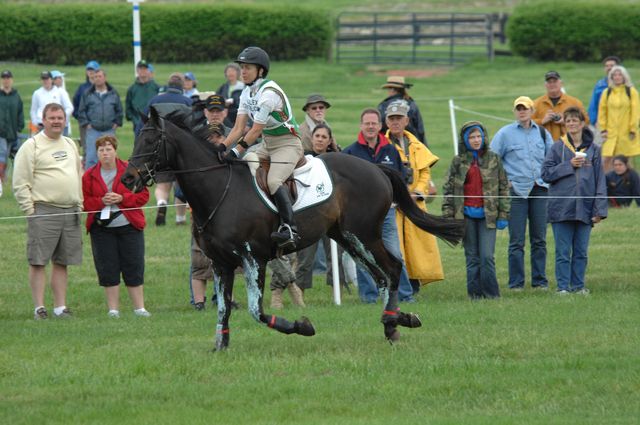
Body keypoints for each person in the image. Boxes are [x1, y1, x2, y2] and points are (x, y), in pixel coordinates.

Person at [218, 46, 304, 250]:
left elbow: (254, 131)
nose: (243, 72)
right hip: (267, 143)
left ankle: (290, 228)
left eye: (247, 67)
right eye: (241, 67)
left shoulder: (269, 94)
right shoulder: (247, 93)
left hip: (288, 144)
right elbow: (239, 128)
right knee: (245, 164)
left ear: (261, 71)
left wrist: (235, 151)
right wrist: (221, 147)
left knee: (274, 181)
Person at [13, 103, 83, 319]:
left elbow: (78, 174)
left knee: (62, 262)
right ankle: (39, 308)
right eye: (52, 117)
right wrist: (30, 210)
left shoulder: (70, 144)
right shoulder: (32, 145)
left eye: (60, 117)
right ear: (43, 120)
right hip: (43, 210)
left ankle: (60, 307)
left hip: (70, 211)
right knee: (38, 261)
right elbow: (20, 182)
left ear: (65, 120)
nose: (56, 121)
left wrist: (79, 204)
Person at [342, 108, 415, 303]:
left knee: (394, 254)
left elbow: (400, 179)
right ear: (361, 125)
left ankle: (404, 296)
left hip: (387, 213)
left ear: (380, 126)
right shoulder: (350, 152)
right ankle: (370, 297)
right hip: (361, 217)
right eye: (367, 123)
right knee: (365, 256)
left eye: (374, 123)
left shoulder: (391, 150)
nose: (371, 126)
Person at [83, 135, 151, 317]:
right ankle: (113, 310)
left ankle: (139, 308)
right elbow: (85, 203)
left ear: (115, 151)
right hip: (102, 230)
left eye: (108, 149)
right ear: (96, 153)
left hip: (129, 226)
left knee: (133, 265)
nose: (105, 153)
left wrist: (122, 198)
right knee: (108, 268)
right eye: (101, 150)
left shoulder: (130, 171)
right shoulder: (89, 176)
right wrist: (101, 201)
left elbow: (143, 196)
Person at [541, 107, 607, 294]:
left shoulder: (593, 150)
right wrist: (567, 165)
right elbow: (545, 174)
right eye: (568, 121)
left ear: (582, 123)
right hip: (561, 208)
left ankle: (578, 286)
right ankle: (563, 288)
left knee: (581, 252)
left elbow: (600, 181)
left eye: (575, 120)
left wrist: (599, 210)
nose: (571, 124)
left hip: (585, 209)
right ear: (564, 124)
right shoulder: (557, 147)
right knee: (563, 252)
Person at [491, 96, 553, 291]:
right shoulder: (504, 134)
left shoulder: (543, 133)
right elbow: (492, 160)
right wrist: (504, 181)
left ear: (532, 111)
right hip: (516, 192)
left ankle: (539, 282)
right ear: (514, 112)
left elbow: (551, 159)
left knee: (539, 239)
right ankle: (516, 283)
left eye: (525, 108)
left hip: (540, 189)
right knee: (516, 240)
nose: (522, 112)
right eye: (518, 109)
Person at [443, 121, 510, 299]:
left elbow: (504, 187)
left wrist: (503, 214)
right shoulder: (458, 162)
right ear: (465, 140)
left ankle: (492, 295)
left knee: (487, 257)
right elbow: (449, 190)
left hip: (488, 216)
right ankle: (475, 295)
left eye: (478, 136)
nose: (476, 140)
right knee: (472, 257)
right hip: (466, 216)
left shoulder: (494, 158)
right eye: (472, 137)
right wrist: (449, 217)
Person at [385, 100, 444, 291]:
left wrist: (418, 191)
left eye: (399, 118)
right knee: (395, 246)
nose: (395, 122)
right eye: (392, 118)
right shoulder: (383, 145)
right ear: (386, 121)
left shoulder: (416, 145)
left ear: (406, 120)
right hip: (392, 205)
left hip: (415, 203)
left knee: (417, 246)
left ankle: (414, 283)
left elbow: (425, 172)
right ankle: (396, 284)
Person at [294, 124, 346, 293]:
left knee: (335, 257)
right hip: (309, 216)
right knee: (305, 258)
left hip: (332, 216)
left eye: (324, 137)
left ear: (329, 141)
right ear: (312, 137)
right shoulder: (303, 159)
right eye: (317, 136)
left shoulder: (336, 161)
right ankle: (300, 292)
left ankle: (337, 291)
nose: (320, 139)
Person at [145, 73, 193, 226]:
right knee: (180, 185)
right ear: (181, 86)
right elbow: (191, 127)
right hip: (180, 150)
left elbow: (149, 125)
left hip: (161, 149)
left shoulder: (155, 100)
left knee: (162, 184)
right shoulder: (187, 101)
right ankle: (180, 218)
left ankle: (161, 203)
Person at [77, 69, 123, 170]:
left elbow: (119, 110)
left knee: (110, 156)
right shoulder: (87, 94)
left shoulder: (113, 93)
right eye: (94, 77)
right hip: (93, 130)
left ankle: (111, 179)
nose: (97, 79)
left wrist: (117, 123)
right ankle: (90, 181)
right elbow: (81, 110)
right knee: (91, 157)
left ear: (105, 78)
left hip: (109, 130)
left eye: (99, 76)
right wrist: (86, 124)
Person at [597, 65, 640, 172]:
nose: (617, 77)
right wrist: (603, 129)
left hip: (626, 133)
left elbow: (636, 112)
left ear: (624, 76)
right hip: (610, 133)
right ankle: (607, 185)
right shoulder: (607, 92)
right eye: (614, 75)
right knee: (607, 160)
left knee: (626, 161)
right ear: (611, 77)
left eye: (619, 74)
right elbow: (602, 112)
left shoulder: (631, 92)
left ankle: (630, 185)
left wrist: (632, 129)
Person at [532, 71, 589, 142]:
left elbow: (585, 121)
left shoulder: (575, 102)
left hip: (569, 143)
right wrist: (542, 121)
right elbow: (527, 123)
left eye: (555, 81)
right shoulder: (536, 104)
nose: (552, 84)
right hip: (544, 145)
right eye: (549, 82)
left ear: (561, 83)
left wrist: (567, 121)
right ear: (545, 85)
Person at [378, 76, 426, 145]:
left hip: (388, 145)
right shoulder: (411, 104)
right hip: (411, 144)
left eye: (388, 89)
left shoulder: (383, 105)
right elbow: (420, 130)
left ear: (392, 89)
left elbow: (379, 127)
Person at [0, 69, 24, 197]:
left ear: (12, 80)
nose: (6, 80)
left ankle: (18, 185)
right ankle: (1, 183)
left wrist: (20, 127)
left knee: (18, 158)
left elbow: (20, 112)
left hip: (14, 133)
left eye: (8, 78)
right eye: (4, 78)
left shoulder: (16, 95)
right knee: (2, 156)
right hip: (1, 133)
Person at [588, 56, 621, 143]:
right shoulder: (599, 85)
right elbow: (593, 104)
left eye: (612, 65)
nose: (609, 68)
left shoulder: (626, 87)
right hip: (602, 124)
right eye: (607, 66)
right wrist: (594, 121)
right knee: (600, 151)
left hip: (619, 123)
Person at [125, 60, 160, 136]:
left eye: (145, 69)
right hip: (138, 125)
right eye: (141, 69)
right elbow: (128, 109)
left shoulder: (156, 87)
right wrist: (135, 120)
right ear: (137, 70)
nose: (143, 71)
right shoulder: (132, 89)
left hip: (154, 124)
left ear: (148, 70)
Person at [73, 60, 100, 154]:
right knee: (86, 149)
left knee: (101, 148)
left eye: (93, 70)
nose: (91, 72)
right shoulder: (82, 88)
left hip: (101, 124)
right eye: (89, 70)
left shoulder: (103, 87)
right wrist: (81, 118)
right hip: (85, 124)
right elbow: (75, 104)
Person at [217, 62, 245, 127]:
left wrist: (234, 102)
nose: (230, 73)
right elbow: (216, 98)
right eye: (228, 71)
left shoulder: (243, 86)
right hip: (225, 114)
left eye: (233, 71)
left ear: (238, 73)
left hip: (238, 114)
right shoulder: (223, 87)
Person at [50, 70, 73, 136]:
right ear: (53, 80)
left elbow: (69, 107)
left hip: (62, 125)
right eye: (59, 78)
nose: (61, 80)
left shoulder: (62, 91)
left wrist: (61, 118)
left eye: (61, 78)